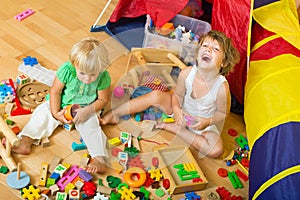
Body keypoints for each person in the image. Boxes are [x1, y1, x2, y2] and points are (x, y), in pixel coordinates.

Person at [100, 30, 240, 158]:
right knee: (156, 95)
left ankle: (176, 129)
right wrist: (177, 110)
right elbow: (177, 97)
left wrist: (207, 122)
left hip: (202, 123)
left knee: (216, 150)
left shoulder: (222, 86)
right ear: (198, 54)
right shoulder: (187, 73)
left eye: (215, 49)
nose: (208, 50)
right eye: (205, 46)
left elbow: (222, 113)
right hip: (179, 110)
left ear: (223, 63)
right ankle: (114, 114)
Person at [10, 37, 111, 173]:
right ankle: (26, 140)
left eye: (93, 75)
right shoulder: (66, 70)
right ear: (74, 65)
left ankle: (99, 158)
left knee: (92, 127)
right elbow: (55, 91)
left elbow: (102, 100)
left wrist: (87, 111)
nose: (87, 79)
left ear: (102, 68)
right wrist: (56, 112)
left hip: (86, 108)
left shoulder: (104, 76)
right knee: (42, 113)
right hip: (62, 104)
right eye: (82, 73)